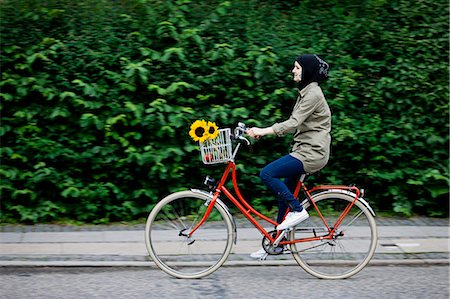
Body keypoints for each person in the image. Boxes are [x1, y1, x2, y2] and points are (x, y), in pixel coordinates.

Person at [246, 54, 331, 258]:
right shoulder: (307, 92)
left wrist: (263, 131)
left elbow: (293, 123)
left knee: (267, 173)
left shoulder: (313, 94)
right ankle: (277, 242)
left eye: (297, 67)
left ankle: (298, 210)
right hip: (304, 150)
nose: (293, 71)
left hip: (311, 153)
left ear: (307, 71)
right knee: (283, 195)